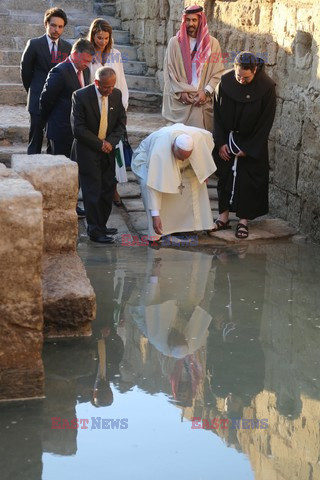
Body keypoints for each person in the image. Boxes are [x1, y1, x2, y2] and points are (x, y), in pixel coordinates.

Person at [212, 51, 276, 239]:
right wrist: (221, 142)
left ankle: (243, 221)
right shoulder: (225, 82)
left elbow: (266, 121)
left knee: (248, 180)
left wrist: (248, 148)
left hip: (252, 141)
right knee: (224, 176)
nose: (241, 80)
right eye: (238, 75)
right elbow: (217, 115)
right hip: (228, 138)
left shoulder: (267, 88)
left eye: (246, 77)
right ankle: (223, 217)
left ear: (255, 70)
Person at [131, 123, 216, 241]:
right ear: (172, 147)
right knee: (148, 182)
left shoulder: (199, 136)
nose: (182, 160)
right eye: (180, 156)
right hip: (145, 160)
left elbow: (208, 144)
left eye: (186, 157)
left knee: (195, 179)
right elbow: (154, 186)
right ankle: (158, 229)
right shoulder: (159, 152)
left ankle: (195, 224)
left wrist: (203, 171)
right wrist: (155, 215)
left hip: (173, 154)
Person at [70, 67, 126, 244]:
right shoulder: (80, 96)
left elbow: (121, 123)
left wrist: (110, 141)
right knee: (92, 191)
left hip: (108, 150)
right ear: (96, 83)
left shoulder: (116, 95)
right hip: (88, 150)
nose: (109, 91)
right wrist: (100, 144)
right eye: (106, 87)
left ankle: (101, 225)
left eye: (112, 86)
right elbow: (78, 129)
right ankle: (94, 231)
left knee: (107, 188)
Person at [162, 4, 224, 132]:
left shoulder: (213, 44)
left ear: (200, 21)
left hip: (200, 101)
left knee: (198, 140)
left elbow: (218, 72)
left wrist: (205, 92)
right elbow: (169, 71)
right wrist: (181, 92)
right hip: (181, 100)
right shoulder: (174, 43)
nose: (191, 23)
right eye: (188, 20)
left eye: (194, 20)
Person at [87, 18, 129, 207]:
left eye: (105, 38)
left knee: (113, 151)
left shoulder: (116, 54)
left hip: (112, 108)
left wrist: (121, 109)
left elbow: (121, 83)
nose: (102, 41)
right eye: (99, 37)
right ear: (93, 35)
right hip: (94, 110)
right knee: (96, 151)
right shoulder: (88, 54)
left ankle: (113, 190)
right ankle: (96, 190)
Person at [20, 7, 71, 154]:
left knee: (54, 140)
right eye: (53, 25)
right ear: (46, 24)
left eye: (60, 27)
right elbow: (25, 72)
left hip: (58, 101)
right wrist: (33, 90)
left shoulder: (67, 48)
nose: (56, 29)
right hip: (37, 98)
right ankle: (30, 169)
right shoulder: (34, 44)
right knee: (35, 139)